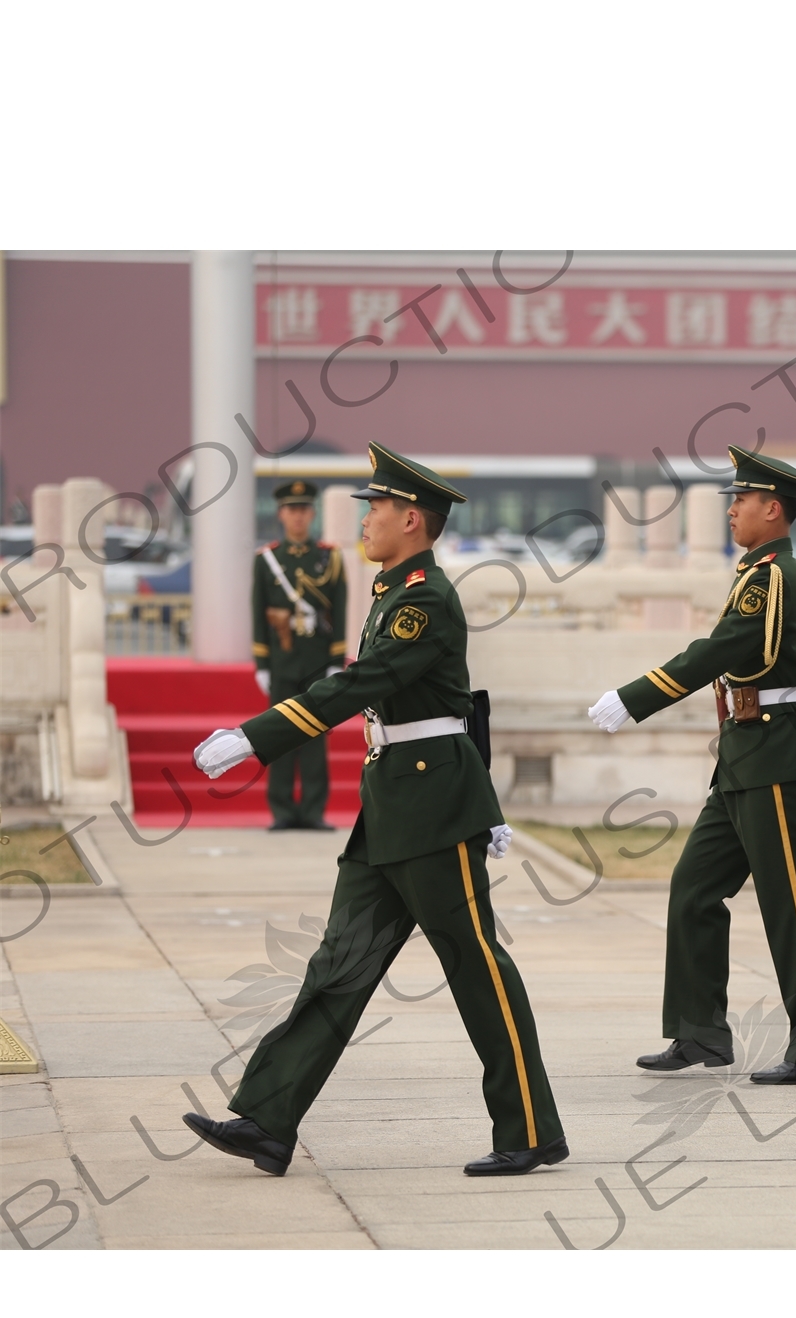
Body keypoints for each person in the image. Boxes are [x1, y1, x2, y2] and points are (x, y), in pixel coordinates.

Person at [184, 443, 566, 1177]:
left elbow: (365, 682)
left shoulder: (423, 598)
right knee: (339, 965)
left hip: (432, 810)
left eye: (378, 508)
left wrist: (257, 735)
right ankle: (267, 1118)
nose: (367, 520)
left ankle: (531, 1129)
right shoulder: (395, 589)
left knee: (475, 966)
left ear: (412, 520)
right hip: (392, 804)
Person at [588, 445, 796, 1084]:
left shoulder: (772, 577)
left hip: (774, 757)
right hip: (746, 755)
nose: (732, 510)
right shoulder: (759, 572)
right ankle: (699, 1033)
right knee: (696, 887)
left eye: (741, 500)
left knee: (790, 904)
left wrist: (637, 696)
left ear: (773, 510)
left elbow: (723, 648)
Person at [251, 479, 347, 830]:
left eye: (304, 510)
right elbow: (258, 614)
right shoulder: (267, 561)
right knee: (280, 736)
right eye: (292, 510)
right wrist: (262, 663)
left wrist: (337, 660)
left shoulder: (330, 558)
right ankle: (281, 811)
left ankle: (312, 811)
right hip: (282, 662)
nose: (298, 517)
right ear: (281, 514)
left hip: (318, 663)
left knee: (315, 740)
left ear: (313, 514)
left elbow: (339, 610)